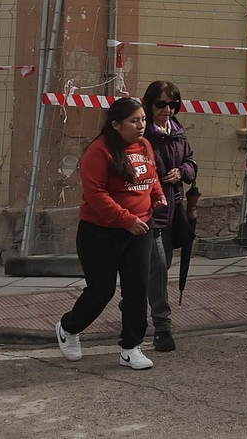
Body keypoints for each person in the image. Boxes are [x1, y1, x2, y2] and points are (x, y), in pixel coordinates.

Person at [56, 96, 165, 370]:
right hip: (101, 232)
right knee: (101, 290)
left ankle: (131, 347)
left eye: (142, 119)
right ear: (116, 125)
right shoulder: (98, 151)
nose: (141, 125)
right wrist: (125, 219)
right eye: (134, 121)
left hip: (140, 229)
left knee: (137, 290)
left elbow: (151, 177)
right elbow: (96, 195)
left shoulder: (145, 145)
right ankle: (68, 327)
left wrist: (159, 197)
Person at [142, 80, 197, 352]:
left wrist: (182, 173)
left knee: (157, 268)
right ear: (150, 104)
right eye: (161, 104)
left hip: (173, 211)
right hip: (150, 212)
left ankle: (133, 303)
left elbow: (191, 162)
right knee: (158, 269)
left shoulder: (177, 131)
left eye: (173, 104)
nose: (167, 110)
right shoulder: (143, 134)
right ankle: (162, 327)